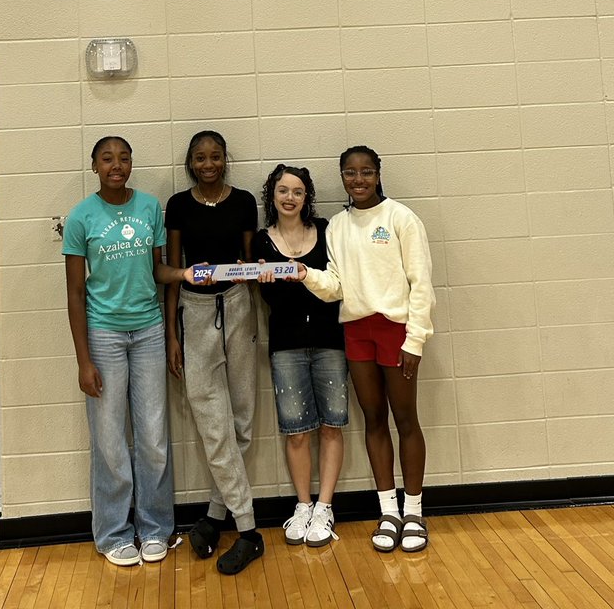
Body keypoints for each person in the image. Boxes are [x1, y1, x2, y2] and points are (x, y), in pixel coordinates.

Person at [63, 135, 201, 567]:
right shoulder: (81, 217)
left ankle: (157, 528)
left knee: (154, 436)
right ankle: (113, 532)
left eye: (123, 158)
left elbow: (158, 270)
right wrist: (84, 360)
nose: (116, 165)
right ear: (94, 166)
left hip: (148, 331)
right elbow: (73, 294)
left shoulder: (149, 209)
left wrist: (182, 273)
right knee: (109, 440)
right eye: (107, 158)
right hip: (103, 335)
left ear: (131, 164)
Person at [297, 146, 434, 554]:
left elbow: (421, 283)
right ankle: (388, 511)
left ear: (378, 174)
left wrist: (415, 338)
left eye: (366, 172)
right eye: (350, 173)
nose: (358, 180)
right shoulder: (337, 226)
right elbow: (337, 285)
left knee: (405, 419)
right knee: (373, 420)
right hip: (356, 330)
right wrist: (304, 274)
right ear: (341, 177)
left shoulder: (401, 218)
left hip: (396, 330)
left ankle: (415, 512)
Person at [165, 130, 264, 575]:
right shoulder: (177, 205)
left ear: (225, 159)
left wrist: (245, 272)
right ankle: (249, 530)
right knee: (212, 423)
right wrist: (172, 333)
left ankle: (214, 515)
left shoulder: (244, 201)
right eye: (200, 157)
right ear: (191, 162)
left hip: (239, 309)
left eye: (216, 156)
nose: (208, 163)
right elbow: (169, 270)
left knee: (240, 423)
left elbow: (247, 260)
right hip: (196, 312)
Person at [253, 164, 348, 547]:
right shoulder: (262, 242)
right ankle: (304, 505)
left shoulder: (327, 231)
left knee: (332, 425)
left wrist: (303, 273)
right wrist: (265, 279)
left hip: (330, 341)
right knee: (296, 431)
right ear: (271, 197)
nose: (289, 198)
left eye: (297, 191)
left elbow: (338, 285)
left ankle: (325, 506)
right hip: (286, 345)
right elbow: (273, 300)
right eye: (282, 191)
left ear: (306, 197)